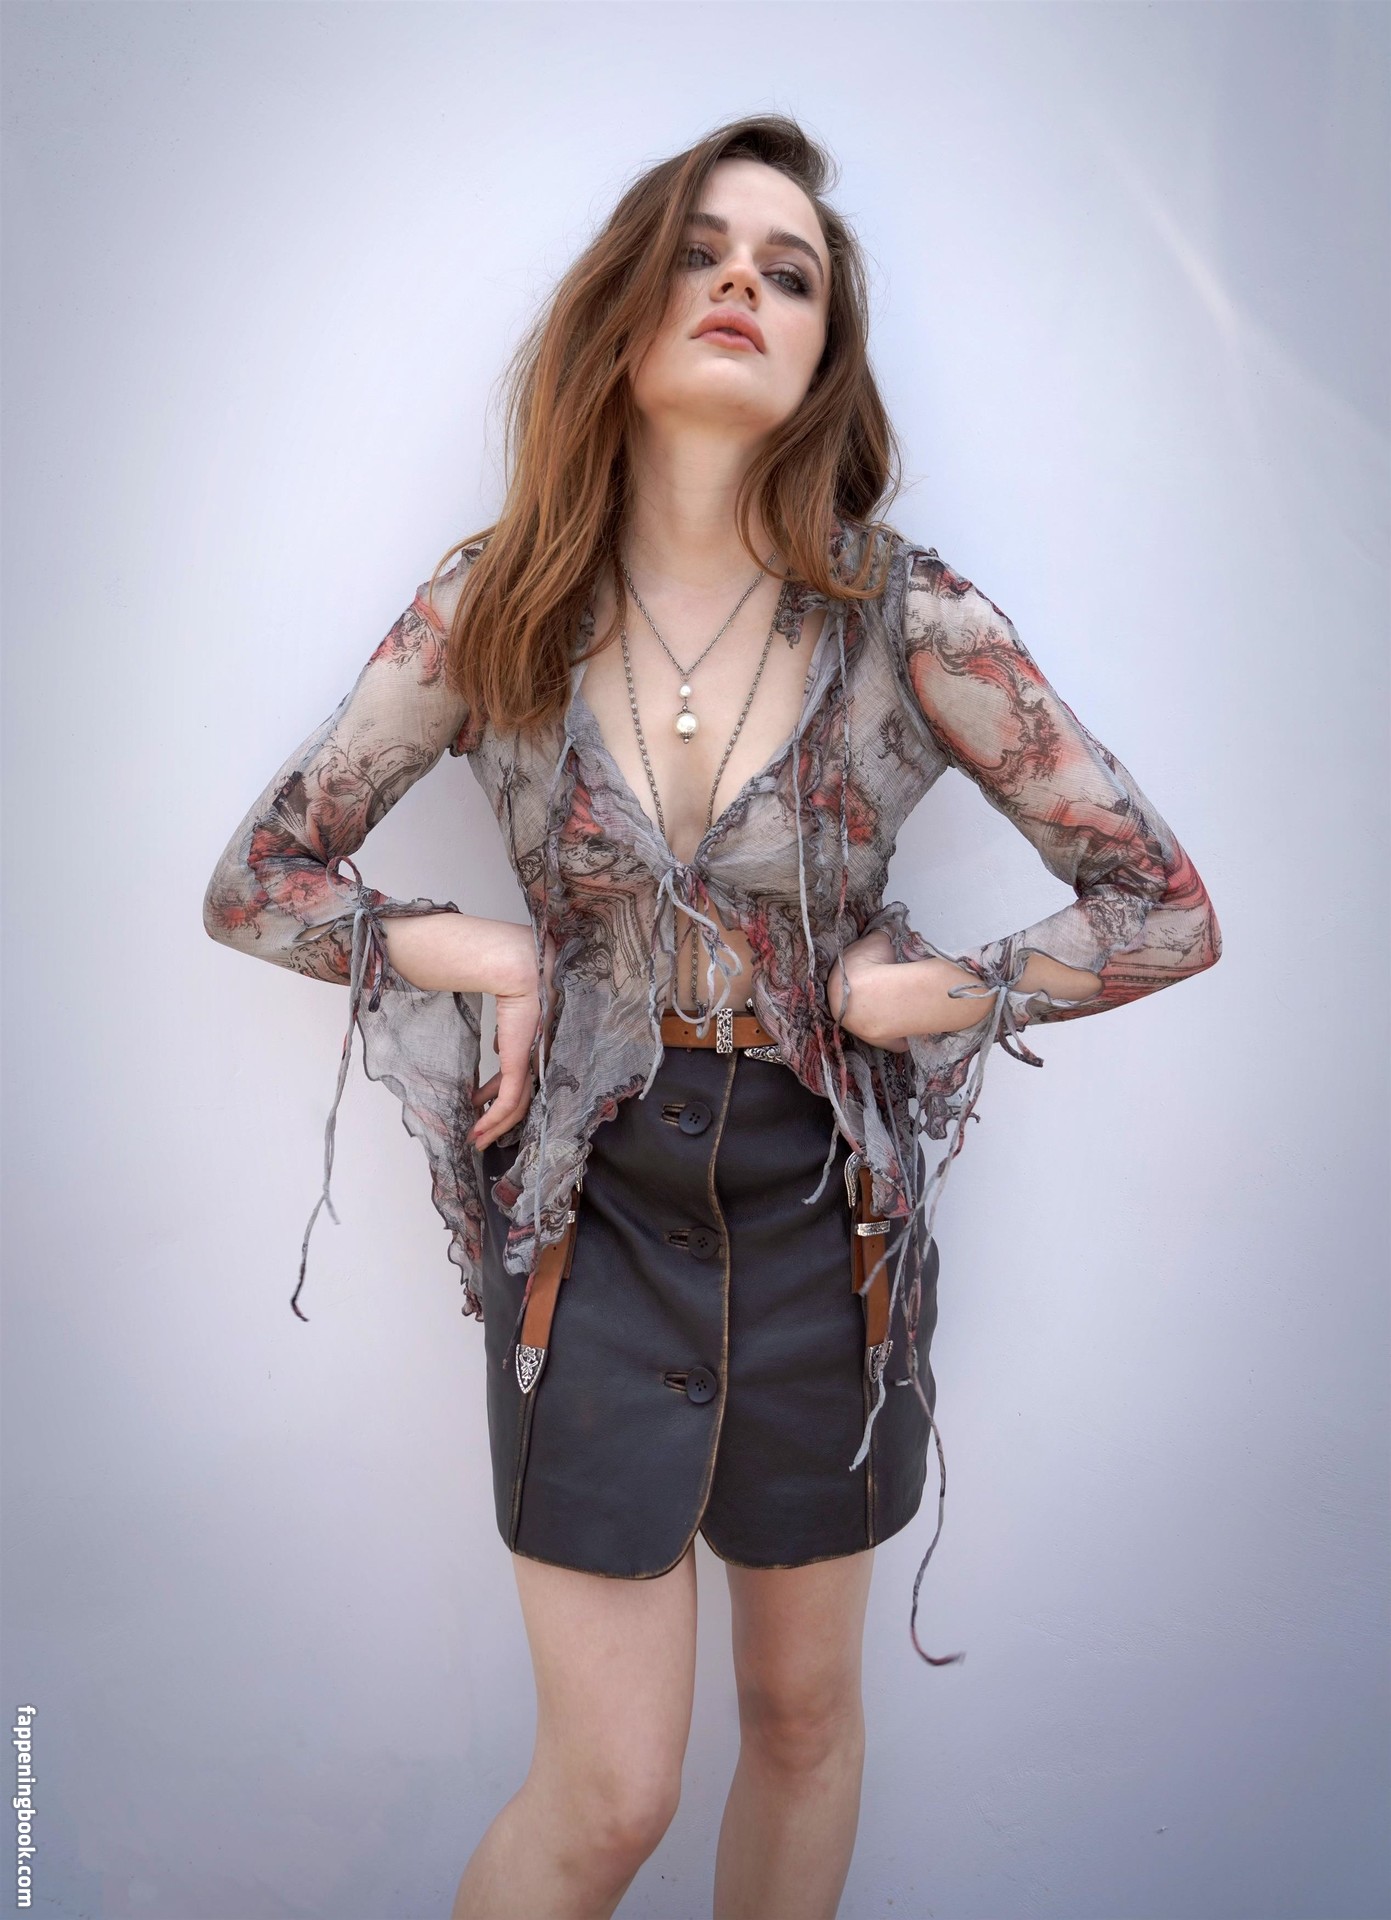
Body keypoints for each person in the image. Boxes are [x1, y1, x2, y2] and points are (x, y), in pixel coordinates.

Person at [202, 113, 1222, 1920]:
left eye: (789, 271)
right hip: (584, 1217)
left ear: (825, 354)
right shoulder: (498, 603)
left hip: (829, 1218)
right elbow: (259, 879)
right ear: (625, 303)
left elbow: (1164, 906)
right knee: (610, 1797)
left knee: (804, 1722)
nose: (743, 281)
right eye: (700, 250)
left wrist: (938, 993)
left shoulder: (909, 619)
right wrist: (490, 954)